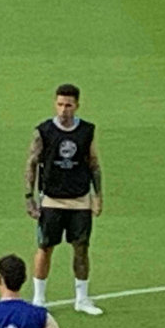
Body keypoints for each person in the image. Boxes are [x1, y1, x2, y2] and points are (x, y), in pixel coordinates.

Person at [23, 84, 104, 315]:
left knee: (81, 248)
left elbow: (94, 164)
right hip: (51, 199)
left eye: (68, 105)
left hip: (80, 199)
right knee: (45, 247)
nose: (63, 110)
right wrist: (29, 197)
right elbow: (31, 163)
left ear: (77, 105)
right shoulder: (44, 131)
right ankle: (39, 298)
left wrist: (98, 196)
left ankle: (82, 298)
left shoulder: (87, 131)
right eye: (60, 104)